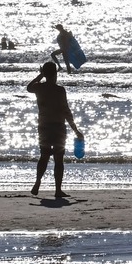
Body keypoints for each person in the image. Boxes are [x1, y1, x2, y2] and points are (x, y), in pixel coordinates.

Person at [27, 62, 84, 198]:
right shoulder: (60, 90)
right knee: (58, 159)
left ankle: (37, 182)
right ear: (55, 74)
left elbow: (28, 88)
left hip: (44, 126)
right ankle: (58, 190)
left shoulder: (39, 88)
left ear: (45, 74)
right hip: (58, 127)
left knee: (44, 156)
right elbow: (66, 111)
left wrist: (40, 75)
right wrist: (75, 130)